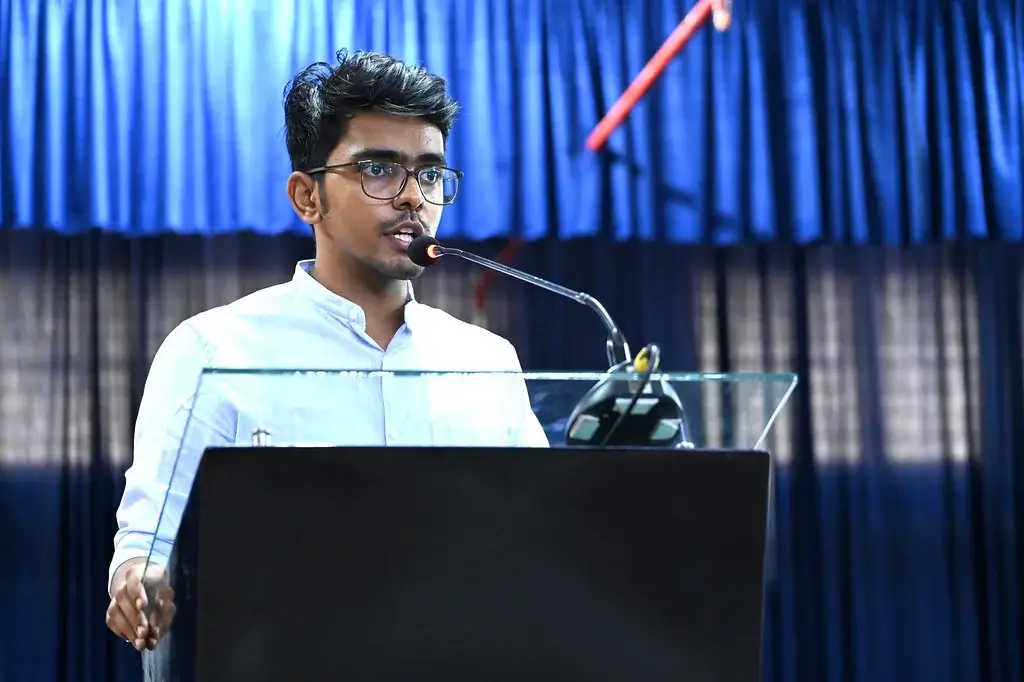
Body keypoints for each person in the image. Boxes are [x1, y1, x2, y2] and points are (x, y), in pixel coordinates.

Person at [104, 49, 549, 651]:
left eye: (429, 174)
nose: (413, 198)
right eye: (379, 170)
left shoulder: (487, 362)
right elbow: (149, 547)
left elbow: (541, 543)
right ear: (307, 197)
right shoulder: (213, 351)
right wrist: (141, 584)